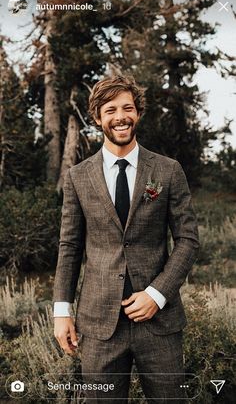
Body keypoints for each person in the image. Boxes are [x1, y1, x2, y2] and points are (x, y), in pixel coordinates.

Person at [53, 74, 199, 403]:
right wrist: (62, 311)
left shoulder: (168, 170)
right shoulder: (77, 176)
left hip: (159, 323)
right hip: (99, 327)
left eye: (127, 108)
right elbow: (69, 248)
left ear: (138, 113)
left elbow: (188, 240)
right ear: (97, 117)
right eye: (111, 110)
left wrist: (157, 294)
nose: (121, 116)